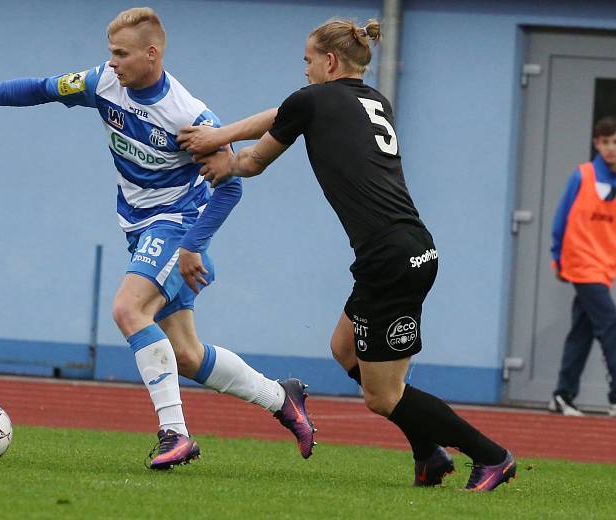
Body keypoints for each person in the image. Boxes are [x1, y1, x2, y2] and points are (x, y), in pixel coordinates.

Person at [0, 7, 315, 470]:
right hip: (138, 229)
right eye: (110, 53)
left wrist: (194, 243)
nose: (111, 62)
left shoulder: (190, 115)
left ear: (151, 54)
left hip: (176, 224)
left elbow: (230, 185)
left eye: (120, 54)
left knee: (127, 309)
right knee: (187, 356)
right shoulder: (102, 83)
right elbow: (42, 88)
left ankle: (175, 433)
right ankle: (282, 398)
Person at [179, 18, 515, 491]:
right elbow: (285, 112)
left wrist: (223, 159)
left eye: (308, 60)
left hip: (389, 260)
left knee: (383, 396)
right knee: (343, 348)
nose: (306, 69)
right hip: (410, 249)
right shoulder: (374, 100)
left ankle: (492, 456)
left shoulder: (312, 100)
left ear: (329, 61)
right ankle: (429, 454)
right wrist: (217, 138)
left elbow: (253, 161)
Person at [548, 117, 616, 418]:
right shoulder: (582, 175)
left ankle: (562, 395)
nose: (610, 148)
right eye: (605, 142)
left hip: (604, 269)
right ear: (597, 144)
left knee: (582, 332)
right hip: (580, 263)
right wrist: (558, 257)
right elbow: (560, 219)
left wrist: (610, 267)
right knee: (612, 322)